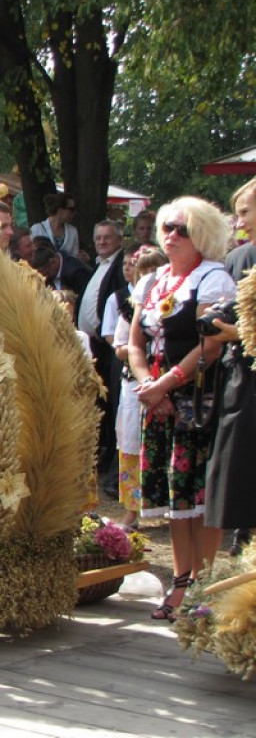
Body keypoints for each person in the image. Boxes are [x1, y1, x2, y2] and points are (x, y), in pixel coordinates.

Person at [127, 196, 236, 621]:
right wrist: (147, 386)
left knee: (199, 495)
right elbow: (135, 342)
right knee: (175, 496)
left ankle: (202, 586)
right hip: (157, 400)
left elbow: (210, 344)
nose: (170, 235)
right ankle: (179, 579)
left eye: (181, 230)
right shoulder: (152, 282)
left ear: (202, 237)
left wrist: (168, 383)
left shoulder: (212, 278)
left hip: (199, 401)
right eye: (167, 227)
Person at [206, 177, 256, 556]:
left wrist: (241, 333)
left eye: (244, 213)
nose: (239, 224)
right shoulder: (240, 258)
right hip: (242, 384)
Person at [103, 245, 167, 529]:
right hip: (135, 383)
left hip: (168, 380)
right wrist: (139, 346)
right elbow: (119, 346)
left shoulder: (172, 303)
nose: (150, 276)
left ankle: (168, 504)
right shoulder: (129, 306)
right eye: (144, 271)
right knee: (130, 444)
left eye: (155, 270)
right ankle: (131, 510)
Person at [78, 220, 128, 492]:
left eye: (107, 237)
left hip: (111, 347)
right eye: (98, 237)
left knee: (111, 403)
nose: (102, 242)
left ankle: (112, 460)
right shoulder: (100, 264)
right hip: (97, 345)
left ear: (119, 240)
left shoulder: (120, 265)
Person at [31, 192, 80, 259]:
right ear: (60, 210)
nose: (74, 213)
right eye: (71, 209)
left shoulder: (73, 231)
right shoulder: (36, 229)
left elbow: (74, 257)